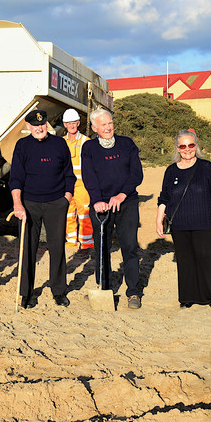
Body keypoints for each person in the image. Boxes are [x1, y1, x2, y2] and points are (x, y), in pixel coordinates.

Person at [10, 109, 76, 308]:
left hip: (56, 202)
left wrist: (66, 197)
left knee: (57, 248)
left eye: (42, 124)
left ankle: (59, 291)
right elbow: (16, 178)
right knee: (28, 248)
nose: (39, 127)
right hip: (29, 204)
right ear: (28, 127)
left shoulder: (59, 144)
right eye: (34, 125)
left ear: (46, 124)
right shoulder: (22, 146)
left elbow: (69, 174)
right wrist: (17, 203)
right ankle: (26, 293)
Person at [82, 109, 144, 309]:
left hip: (126, 202)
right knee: (102, 248)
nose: (108, 127)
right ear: (94, 128)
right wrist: (98, 200)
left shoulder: (127, 144)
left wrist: (122, 195)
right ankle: (104, 287)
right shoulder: (89, 147)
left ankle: (133, 292)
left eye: (110, 123)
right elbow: (88, 176)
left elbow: (136, 174)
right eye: (103, 125)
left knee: (129, 246)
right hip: (101, 205)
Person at [156, 130, 211, 309]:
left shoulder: (206, 167)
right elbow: (164, 197)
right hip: (179, 223)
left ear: (196, 145)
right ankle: (186, 298)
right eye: (183, 146)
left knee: (204, 257)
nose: (187, 149)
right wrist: (158, 219)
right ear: (177, 148)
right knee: (184, 260)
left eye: (191, 145)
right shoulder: (171, 171)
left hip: (203, 222)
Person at [62, 108, 94, 250]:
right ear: (65, 125)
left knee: (84, 214)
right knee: (68, 213)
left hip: (82, 184)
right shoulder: (61, 142)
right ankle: (71, 241)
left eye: (74, 123)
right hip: (67, 184)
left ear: (78, 123)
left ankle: (86, 242)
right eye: (69, 123)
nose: (72, 126)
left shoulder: (86, 141)